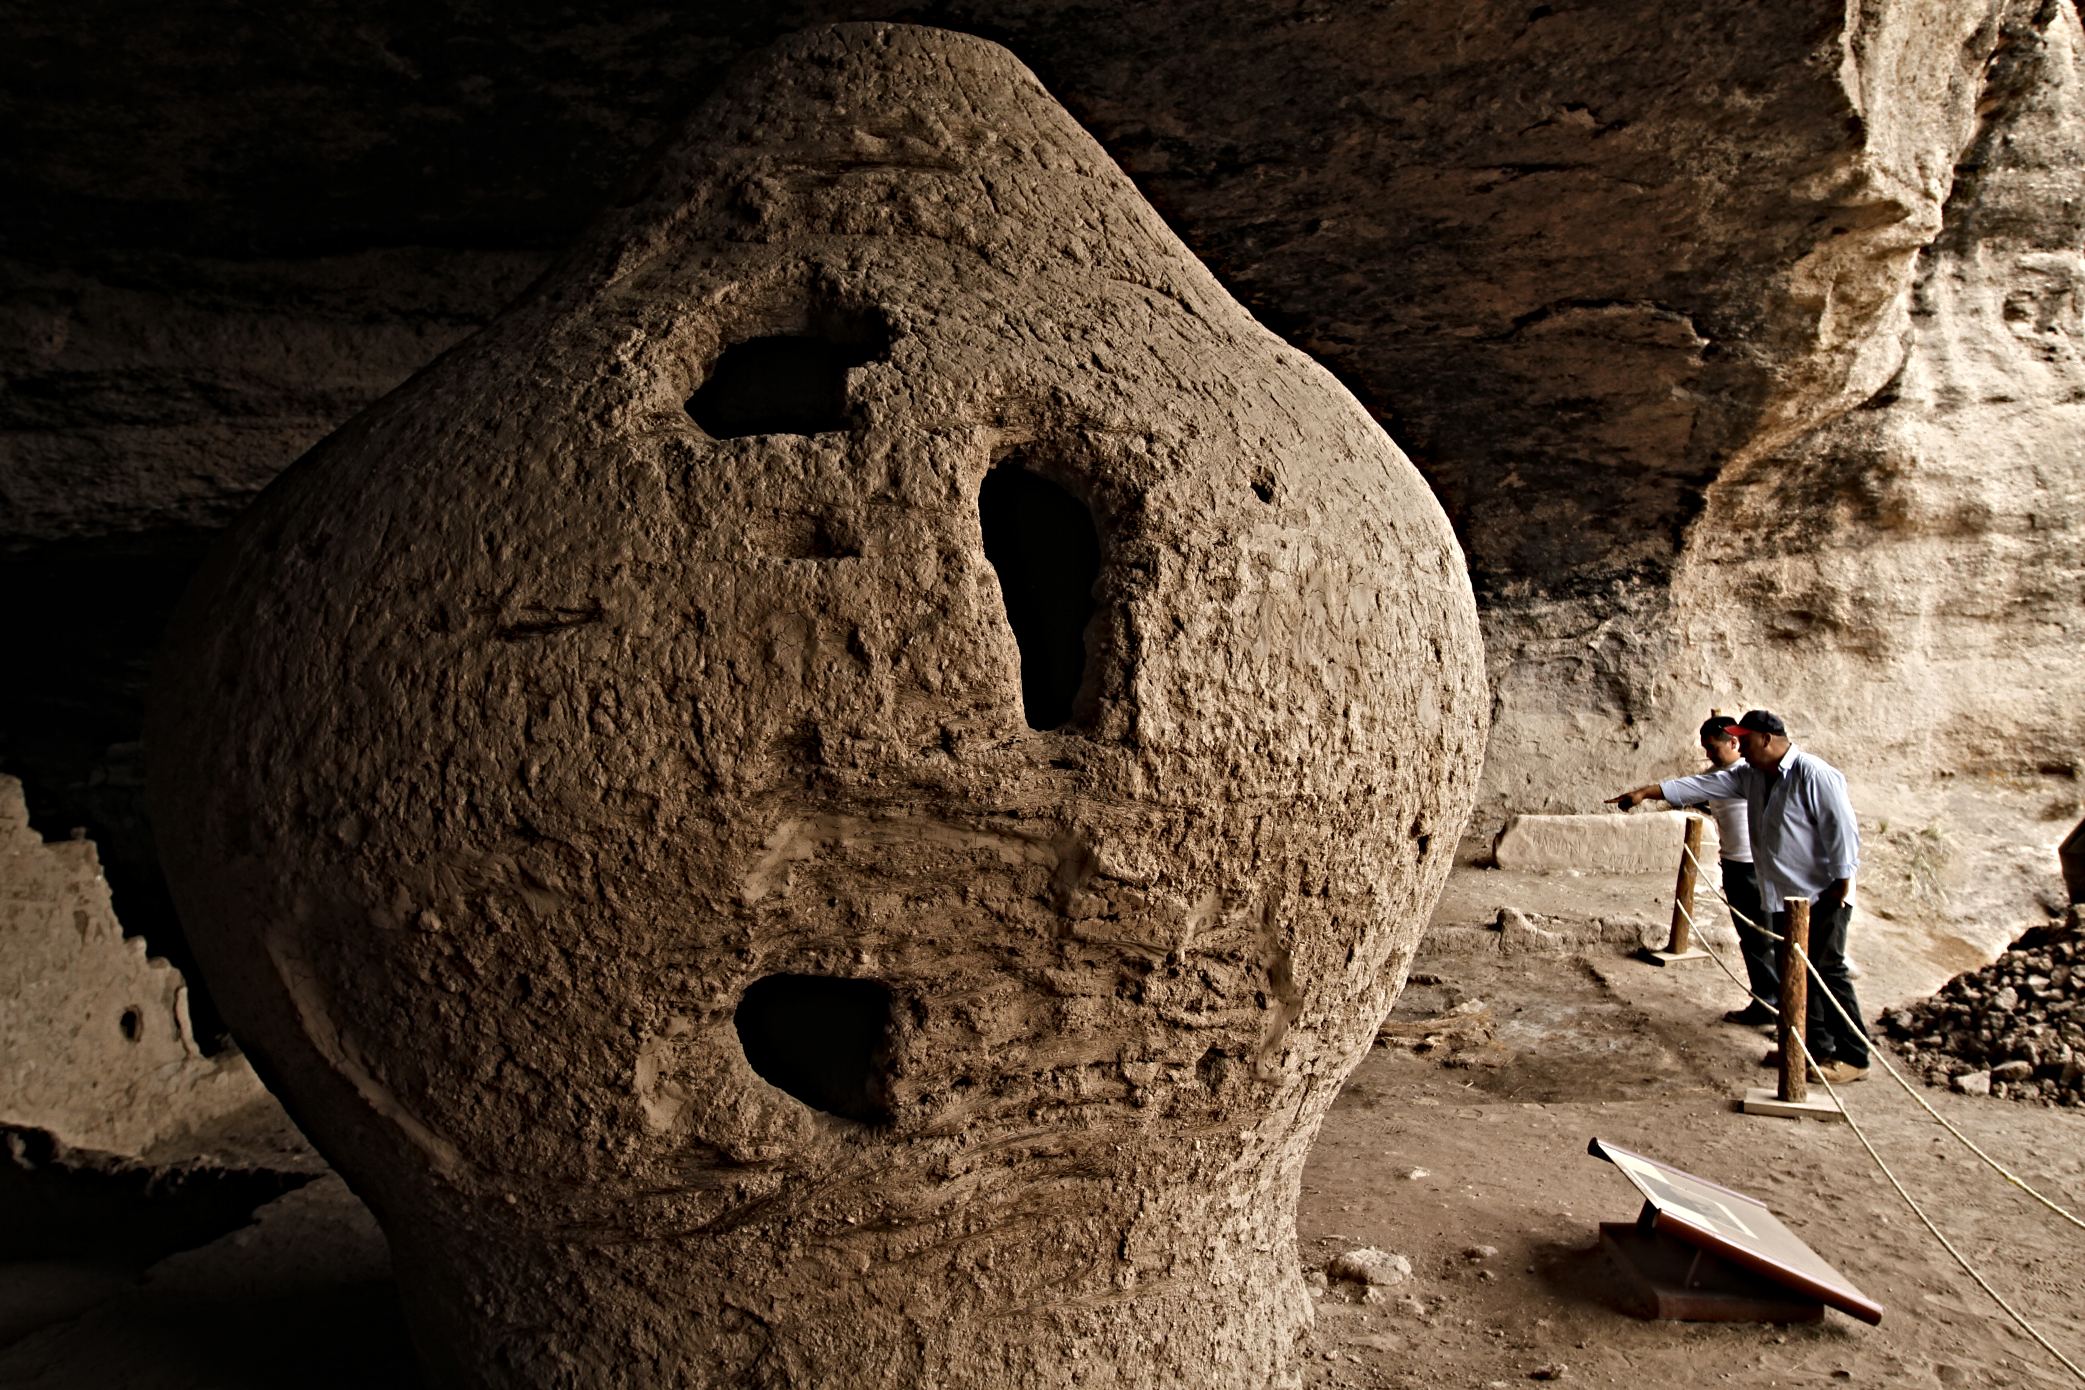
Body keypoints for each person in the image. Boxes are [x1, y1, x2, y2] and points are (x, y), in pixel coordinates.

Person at [1608, 710, 1869, 1082]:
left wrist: (1840, 889)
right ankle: (1811, 1050)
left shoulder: (1814, 774)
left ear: (1766, 738)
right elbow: (1703, 786)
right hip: (1784, 897)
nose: (1740, 750)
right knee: (1794, 973)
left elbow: (1841, 831)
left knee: (1827, 972)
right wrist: (1649, 792)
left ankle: (1854, 1057)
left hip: (1823, 894)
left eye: (1745, 742)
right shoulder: (1752, 776)